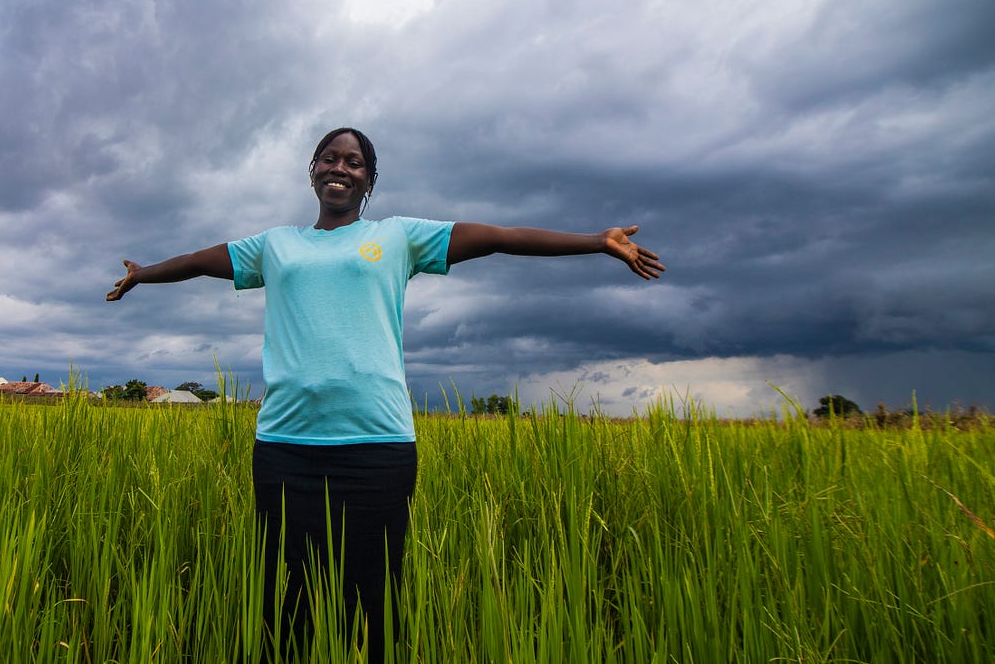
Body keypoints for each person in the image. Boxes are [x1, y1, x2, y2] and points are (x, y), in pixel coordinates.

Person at [105, 127, 664, 661]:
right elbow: (202, 262)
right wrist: (144, 273)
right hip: (285, 446)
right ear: (312, 171)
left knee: (373, 601)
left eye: (354, 162)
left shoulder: (397, 237)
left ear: (369, 181)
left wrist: (596, 242)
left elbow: (500, 238)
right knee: (285, 595)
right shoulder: (274, 246)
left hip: (377, 446)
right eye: (330, 158)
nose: (339, 168)